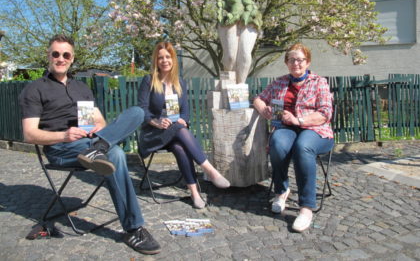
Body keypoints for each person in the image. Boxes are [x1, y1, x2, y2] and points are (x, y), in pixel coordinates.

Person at [18, 34, 161, 255]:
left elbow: (100, 121)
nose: (60, 58)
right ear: (48, 55)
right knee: (117, 155)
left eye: (66, 55)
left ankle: (99, 148)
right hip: (61, 148)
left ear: (72, 58)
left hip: (90, 141)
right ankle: (133, 228)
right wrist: (64, 135)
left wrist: (96, 130)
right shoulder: (35, 89)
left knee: (138, 112)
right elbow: (29, 134)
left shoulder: (81, 88)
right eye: (56, 54)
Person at [137, 42, 230, 209]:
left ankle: (195, 193)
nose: (164, 60)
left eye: (168, 57)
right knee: (180, 129)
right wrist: (156, 122)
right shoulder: (148, 80)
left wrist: (183, 120)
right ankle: (209, 170)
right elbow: (141, 109)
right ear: (156, 61)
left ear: (173, 59)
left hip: (173, 132)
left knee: (180, 145)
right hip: (152, 133)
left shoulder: (180, 82)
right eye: (160, 58)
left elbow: (185, 111)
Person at [253, 43, 334, 232]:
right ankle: (281, 191)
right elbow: (258, 98)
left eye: (300, 60)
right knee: (278, 143)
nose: (296, 63)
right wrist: (263, 108)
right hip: (285, 128)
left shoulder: (319, 82)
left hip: (316, 130)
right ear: (286, 62)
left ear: (308, 62)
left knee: (303, 146)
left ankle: (306, 208)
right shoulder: (279, 82)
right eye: (291, 60)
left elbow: (325, 113)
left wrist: (299, 120)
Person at [213, 0, 262, 84]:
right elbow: (221, 5)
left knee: (245, 55)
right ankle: (228, 82)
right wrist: (223, 11)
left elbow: (251, 8)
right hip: (231, 22)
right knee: (230, 57)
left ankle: (240, 86)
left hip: (249, 21)